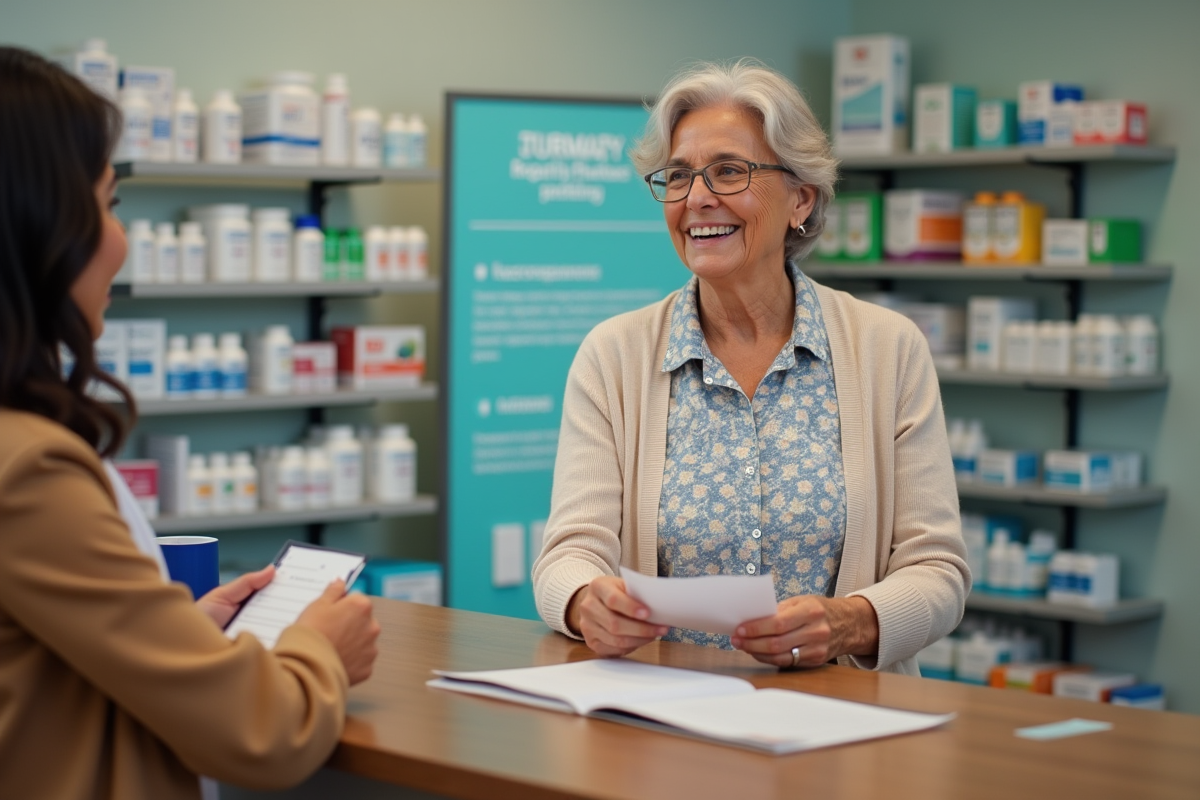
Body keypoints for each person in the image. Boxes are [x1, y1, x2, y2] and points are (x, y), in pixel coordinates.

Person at [0, 46, 380, 799]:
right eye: (108, 205)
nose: (122, 241)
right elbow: (262, 733)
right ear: (37, 223)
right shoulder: (29, 468)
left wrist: (181, 636)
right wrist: (315, 650)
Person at [532, 60, 969, 675]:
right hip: (663, 720)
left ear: (801, 199)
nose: (697, 198)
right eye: (678, 176)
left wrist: (851, 621)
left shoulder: (888, 349)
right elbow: (568, 554)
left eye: (729, 171)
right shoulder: (614, 356)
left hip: (842, 725)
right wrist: (583, 601)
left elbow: (939, 569)